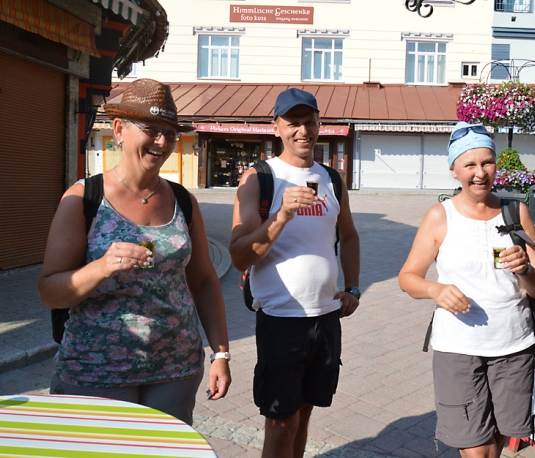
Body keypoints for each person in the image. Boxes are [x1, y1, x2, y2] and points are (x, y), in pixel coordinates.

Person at [37, 79, 231, 424]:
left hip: (176, 368)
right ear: (119, 130)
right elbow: (50, 292)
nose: (162, 142)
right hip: (96, 370)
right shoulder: (83, 198)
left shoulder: (183, 201)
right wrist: (101, 267)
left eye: (169, 133)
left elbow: (203, 281)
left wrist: (221, 353)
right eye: (151, 130)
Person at [398, 121, 535, 457]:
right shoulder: (441, 216)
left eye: (487, 162)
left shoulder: (516, 211)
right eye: (469, 164)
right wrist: (436, 290)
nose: (480, 172)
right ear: (454, 170)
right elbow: (408, 277)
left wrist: (524, 268)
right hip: (459, 348)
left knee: (498, 442)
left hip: (514, 345)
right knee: (476, 450)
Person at [229, 88, 361, 458]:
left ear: (320, 125)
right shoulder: (259, 178)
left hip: (326, 317)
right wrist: (282, 215)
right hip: (281, 319)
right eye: (293, 123)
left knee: (304, 414)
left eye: (310, 122)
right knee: (281, 422)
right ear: (277, 128)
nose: (303, 130)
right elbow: (239, 256)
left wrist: (352, 286)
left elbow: (349, 236)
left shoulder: (332, 180)